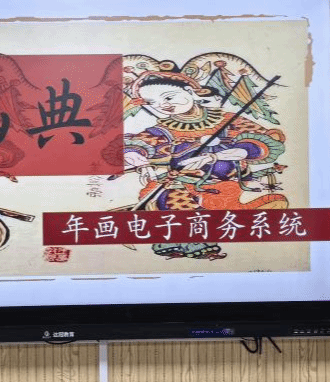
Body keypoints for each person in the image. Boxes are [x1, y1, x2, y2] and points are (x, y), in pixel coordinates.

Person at [123, 70, 287, 259]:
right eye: (152, 103)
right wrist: (137, 158)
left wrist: (215, 157)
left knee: (210, 204)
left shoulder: (228, 120)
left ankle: (199, 242)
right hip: (181, 180)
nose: (163, 105)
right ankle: (176, 241)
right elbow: (138, 143)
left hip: (225, 180)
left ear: (189, 91)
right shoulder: (163, 129)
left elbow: (262, 142)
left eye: (168, 97)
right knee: (167, 199)